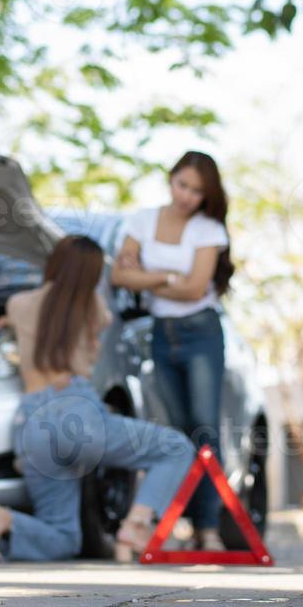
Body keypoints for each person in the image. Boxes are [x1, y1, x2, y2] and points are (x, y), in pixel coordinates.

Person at [0, 235, 194, 563]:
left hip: (32, 422)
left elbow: (13, 325)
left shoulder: (18, 304)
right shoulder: (92, 306)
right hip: (75, 410)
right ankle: (137, 525)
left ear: (55, 263)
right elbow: (103, 325)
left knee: (63, 536)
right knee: (175, 448)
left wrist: (8, 326)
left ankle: (1, 519)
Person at [111, 151, 236, 552]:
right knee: (178, 433)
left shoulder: (208, 228)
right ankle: (179, 523)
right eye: (182, 185)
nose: (187, 196)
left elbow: (195, 289)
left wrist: (144, 278)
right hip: (162, 334)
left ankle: (208, 526)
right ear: (171, 179)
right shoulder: (141, 220)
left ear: (207, 195)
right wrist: (167, 276)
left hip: (201, 332)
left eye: (197, 191)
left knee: (204, 427)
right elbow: (118, 274)